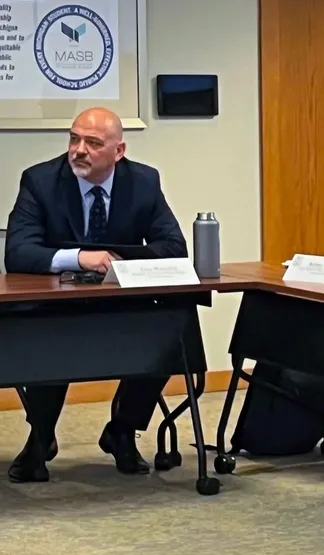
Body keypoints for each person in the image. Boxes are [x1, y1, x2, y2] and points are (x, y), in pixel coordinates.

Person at [5, 107, 188, 482]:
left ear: (119, 151)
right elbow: (18, 253)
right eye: (74, 139)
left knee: (168, 331)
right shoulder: (40, 181)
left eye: (92, 142)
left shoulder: (144, 182)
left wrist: (116, 260)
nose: (79, 150)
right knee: (48, 339)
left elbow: (172, 246)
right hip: (55, 302)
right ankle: (40, 437)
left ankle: (122, 429)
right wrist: (79, 257)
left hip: (118, 300)